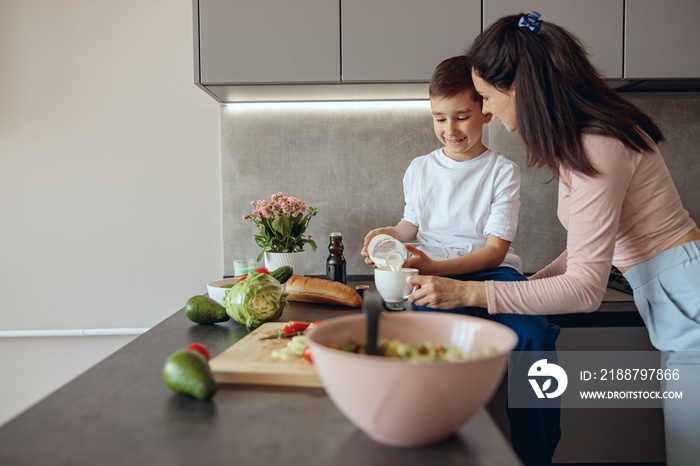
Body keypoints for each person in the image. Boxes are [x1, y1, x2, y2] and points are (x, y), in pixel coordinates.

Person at [406, 12, 700, 466]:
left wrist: (469, 291)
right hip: (675, 298)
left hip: (687, 302)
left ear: (517, 88)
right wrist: (527, 285)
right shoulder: (585, 137)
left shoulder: (598, 143)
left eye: (485, 96)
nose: (487, 110)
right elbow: (588, 244)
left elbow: (585, 290)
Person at [361, 55, 561, 466]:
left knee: (536, 335)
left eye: (461, 117)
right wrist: (389, 235)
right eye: (439, 118)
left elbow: (494, 250)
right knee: (428, 342)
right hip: (430, 268)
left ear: (486, 112)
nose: (449, 130)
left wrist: (432, 269)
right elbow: (410, 225)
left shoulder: (502, 171)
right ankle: (435, 448)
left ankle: (536, 452)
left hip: (494, 274)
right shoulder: (419, 169)